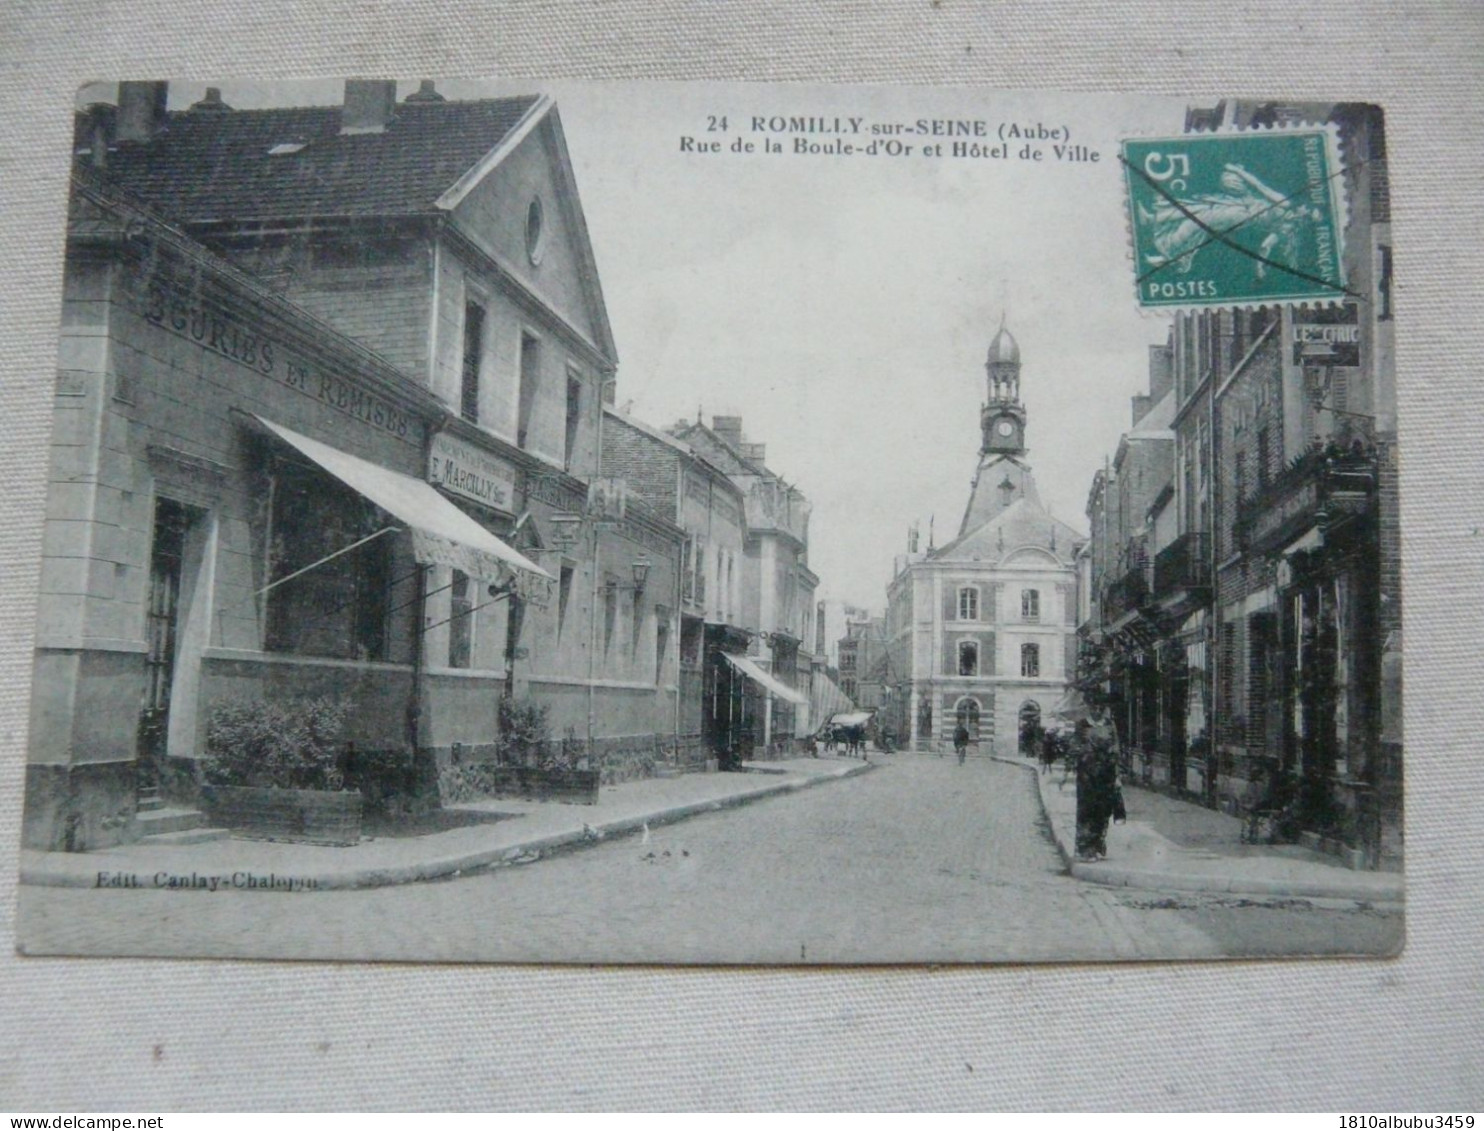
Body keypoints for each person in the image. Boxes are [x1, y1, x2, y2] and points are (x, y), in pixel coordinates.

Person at [1074, 708, 1120, 861]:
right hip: (1086, 775)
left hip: (1106, 773)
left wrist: (1117, 775)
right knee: (1087, 809)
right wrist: (1084, 752)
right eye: (1094, 704)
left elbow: (1116, 749)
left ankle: (1099, 842)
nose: (1097, 709)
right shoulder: (1082, 724)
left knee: (1103, 809)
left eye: (1100, 705)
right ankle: (1085, 848)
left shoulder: (1109, 724)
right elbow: (1075, 747)